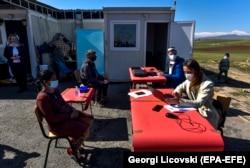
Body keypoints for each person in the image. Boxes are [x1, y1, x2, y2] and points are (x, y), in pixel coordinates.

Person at [36, 70, 94, 158]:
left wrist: (73, 109)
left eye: (56, 78)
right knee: (85, 131)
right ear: (45, 82)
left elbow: (64, 103)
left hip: (67, 116)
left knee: (89, 119)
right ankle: (72, 150)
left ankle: (76, 142)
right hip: (57, 125)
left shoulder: (55, 90)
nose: (56, 80)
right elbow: (52, 117)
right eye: (53, 79)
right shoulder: (42, 98)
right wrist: (69, 116)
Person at [170, 59, 219, 129]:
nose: (186, 75)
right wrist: (177, 91)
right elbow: (181, 86)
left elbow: (199, 103)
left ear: (196, 71)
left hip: (206, 115)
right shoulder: (190, 80)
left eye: (189, 72)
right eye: (185, 72)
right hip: (194, 111)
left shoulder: (207, 84)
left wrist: (179, 101)